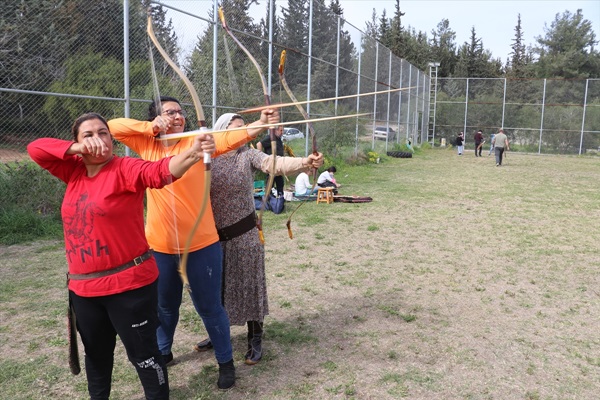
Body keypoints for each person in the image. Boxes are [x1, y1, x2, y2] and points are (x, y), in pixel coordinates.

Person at [27, 112, 214, 400]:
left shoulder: (124, 168)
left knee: (145, 357)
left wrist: (193, 151)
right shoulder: (73, 171)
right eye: (87, 135)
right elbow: (35, 148)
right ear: (76, 143)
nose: (98, 139)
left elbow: (161, 171)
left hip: (130, 287)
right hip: (84, 289)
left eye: (103, 133)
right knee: (97, 357)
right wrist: (76, 150)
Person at [107, 97, 280, 390]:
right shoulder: (147, 144)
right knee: (165, 307)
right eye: (170, 112)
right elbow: (113, 127)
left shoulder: (198, 142)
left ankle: (226, 363)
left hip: (202, 245)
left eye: (180, 112)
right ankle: (163, 352)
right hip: (160, 246)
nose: (178, 116)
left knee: (210, 308)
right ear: (157, 117)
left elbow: (230, 137)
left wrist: (261, 124)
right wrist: (151, 127)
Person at [194, 113, 323, 365]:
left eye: (246, 128)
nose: (246, 132)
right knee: (215, 290)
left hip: (245, 234)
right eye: (238, 129)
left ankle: (255, 338)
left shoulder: (247, 154)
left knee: (250, 286)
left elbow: (274, 163)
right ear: (222, 132)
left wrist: (305, 162)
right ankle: (218, 333)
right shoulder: (207, 157)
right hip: (212, 237)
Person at [256, 126, 285, 196]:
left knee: (280, 182)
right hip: (271, 164)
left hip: (278, 165)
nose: (282, 133)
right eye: (281, 130)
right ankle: (268, 198)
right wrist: (260, 157)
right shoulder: (271, 138)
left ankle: (280, 197)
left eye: (282, 131)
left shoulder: (278, 139)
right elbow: (259, 144)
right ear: (276, 130)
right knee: (270, 183)